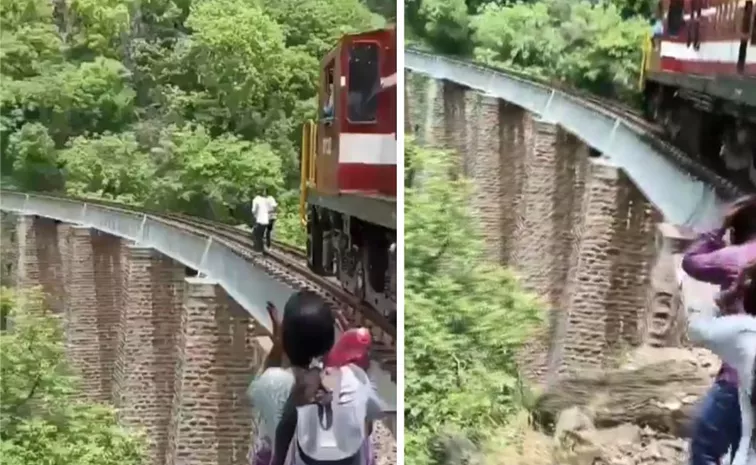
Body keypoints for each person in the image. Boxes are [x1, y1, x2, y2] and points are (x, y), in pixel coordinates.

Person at [271, 290, 385, 465]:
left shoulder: (284, 390)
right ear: (331, 340)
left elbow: (275, 441)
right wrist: (359, 366)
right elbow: (368, 425)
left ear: (286, 343)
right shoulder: (354, 381)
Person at [683, 196, 756, 465]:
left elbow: (692, 262)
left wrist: (718, 227)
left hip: (737, 379)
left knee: (704, 446)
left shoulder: (739, 257)